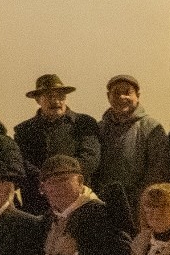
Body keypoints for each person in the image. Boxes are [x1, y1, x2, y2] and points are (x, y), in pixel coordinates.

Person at [14, 75, 103, 213]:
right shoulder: (23, 131)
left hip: (78, 199)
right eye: (49, 96)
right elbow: (22, 162)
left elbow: (90, 158)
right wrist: (47, 182)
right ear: (38, 100)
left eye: (60, 96)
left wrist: (65, 181)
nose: (56, 101)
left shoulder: (84, 123)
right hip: (38, 202)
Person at [92, 76, 170, 208]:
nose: (122, 97)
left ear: (138, 96)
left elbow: (159, 168)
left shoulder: (151, 127)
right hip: (103, 203)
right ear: (108, 97)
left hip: (139, 204)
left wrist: (141, 197)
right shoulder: (99, 128)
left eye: (127, 93)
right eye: (116, 93)